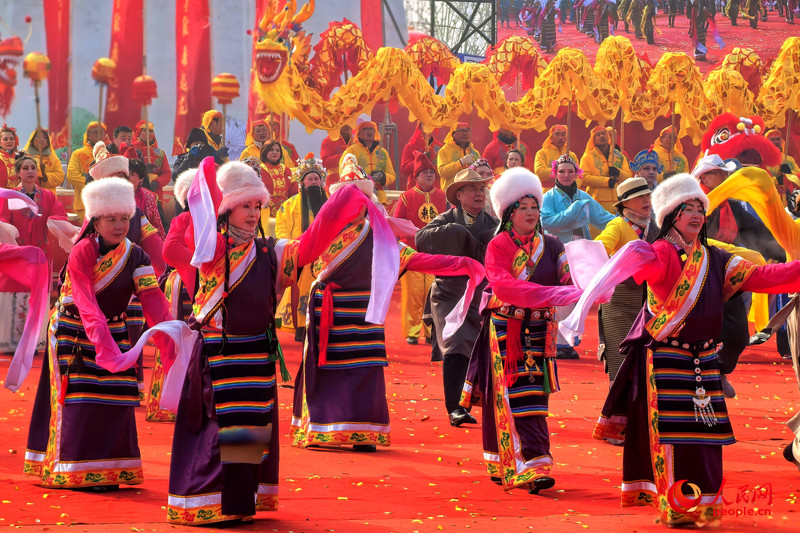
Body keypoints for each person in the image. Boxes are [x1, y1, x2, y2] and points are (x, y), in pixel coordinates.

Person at [570, 173, 800, 527]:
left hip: (704, 360)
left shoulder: (715, 257)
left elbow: (766, 277)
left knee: (707, 439)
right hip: (667, 358)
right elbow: (640, 268)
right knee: (675, 439)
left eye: (699, 208)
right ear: (670, 216)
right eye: (686, 209)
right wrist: (629, 257)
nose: (695, 215)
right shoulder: (659, 252)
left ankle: (704, 506)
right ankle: (677, 506)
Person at [168, 158, 336, 524]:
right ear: (227, 208)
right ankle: (208, 502)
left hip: (256, 354)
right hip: (220, 352)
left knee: (248, 429)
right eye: (246, 204)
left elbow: (307, 249)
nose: (253, 212)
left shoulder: (270, 251)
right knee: (217, 427)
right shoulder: (210, 249)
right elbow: (183, 241)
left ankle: (239, 503)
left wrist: (338, 207)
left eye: (258, 205)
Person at [291, 156, 485, 450]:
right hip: (329, 311)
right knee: (328, 370)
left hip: (365, 311)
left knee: (366, 369)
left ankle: (364, 431)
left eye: (361, 199)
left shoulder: (376, 234)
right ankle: (322, 427)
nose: (357, 206)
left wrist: (463, 264)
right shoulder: (324, 232)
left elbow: (413, 259)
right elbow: (295, 257)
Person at [23, 177, 172, 490]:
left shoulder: (136, 256)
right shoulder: (82, 252)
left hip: (114, 330)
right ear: (95, 220)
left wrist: (170, 338)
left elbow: (153, 300)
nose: (118, 226)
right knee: (80, 397)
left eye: (123, 219)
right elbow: (86, 301)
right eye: (111, 219)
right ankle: (73, 468)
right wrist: (102, 344)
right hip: (75, 331)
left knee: (116, 397)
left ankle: (111, 469)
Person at [461, 167, 584, 495]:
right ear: (509, 213)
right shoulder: (498, 246)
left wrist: (588, 288)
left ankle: (536, 463)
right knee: (510, 396)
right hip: (506, 329)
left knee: (535, 398)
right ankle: (514, 462)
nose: (531, 213)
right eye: (523, 208)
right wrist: (554, 295)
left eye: (534, 207)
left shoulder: (554, 245)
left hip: (541, 330)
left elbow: (568, 282)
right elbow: (504, 286)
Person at [692, 154, 785, 395]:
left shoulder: (733, 206)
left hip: (731, 275)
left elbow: (759, 234)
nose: (726, 178)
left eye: (726, 174)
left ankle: (719, 370)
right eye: (720, 174)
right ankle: (698, 375)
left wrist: (785, 251)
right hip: (698, 276)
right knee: (701, 332)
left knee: (738, 336)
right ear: (704, 177)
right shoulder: (692, 204)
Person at [417, 168, 498, 426]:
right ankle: (455, 406)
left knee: (478, 349)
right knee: (455, 343)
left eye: (482, 189)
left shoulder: (493, 224)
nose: (479, 194)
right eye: (473, 189)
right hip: (450, 294)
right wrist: (455, 233)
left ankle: (477, 401)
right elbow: (421, 239)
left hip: (482, 295)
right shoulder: (445, 219)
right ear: (459, 195)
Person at [594, 177, 659, 385]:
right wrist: (612, 262)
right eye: (639, 197)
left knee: (648, 364)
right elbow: (600, 247)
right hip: (620, 302)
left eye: (647, 195)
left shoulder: (656, 227)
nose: (646, 200)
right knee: (621, 362)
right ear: (624, 204)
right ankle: (617, 414)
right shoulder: (618, 225)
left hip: (651, 303)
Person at [146, 169, 197, 422]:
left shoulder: (218, 221)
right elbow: (170, 250)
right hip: (183, 288)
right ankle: (173, 398)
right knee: (177, 341)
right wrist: (201, 263)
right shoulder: (183, 219)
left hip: (208, 284)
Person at [394, 151, 447, 345]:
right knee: (413, 292)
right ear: (416, 176)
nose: (429, 175)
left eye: (431, 172)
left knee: (433, 291)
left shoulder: (442, 196)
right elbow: (398, 223)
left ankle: (431, 330)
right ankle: (412, 331)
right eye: (424, 172)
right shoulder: (407, 197)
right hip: (412, 251)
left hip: (435, 251)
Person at [275, 153, 328, 341]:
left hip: (326, 255)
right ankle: (301, 326)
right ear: (302, 183)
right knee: (300, 289)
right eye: (310, 179)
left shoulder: (329, 203)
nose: (314, 182)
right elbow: (281, 229)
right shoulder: (289, 205)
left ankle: (322, 325)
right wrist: (292, 246)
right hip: (300, 254)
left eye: (316, 179)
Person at [541, 154, 615, 243]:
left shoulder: (583, 196)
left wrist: (623, 222)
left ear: (576, 174)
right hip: (558, 248)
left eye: (571, 171)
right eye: (562, 171)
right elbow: (546, 223)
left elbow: (602, 218)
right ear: (555, 174)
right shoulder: (548, 197)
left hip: (583, 247)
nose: (566, 175)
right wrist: (572, 211)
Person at [341, 120, 396, 205]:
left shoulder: (383, 152)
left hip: (379, 198)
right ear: (358, 133)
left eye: (372, 129)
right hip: (359, 197)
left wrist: (383, 177)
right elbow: (344, 174)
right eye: (365, 129)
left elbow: (392, 175)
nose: (369, 131)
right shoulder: (351, 151)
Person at [580, 126, 632, 213]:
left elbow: (629, 175)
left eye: (604, 134)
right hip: (596, 201)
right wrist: (606, 181)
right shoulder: (587, 156)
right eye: (598, 134)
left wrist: (618, 173)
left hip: (618, 200)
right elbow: (583, 178)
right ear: (593, 139)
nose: (602, 136)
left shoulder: (618, 156)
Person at [67, 122, 107, 221]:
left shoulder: (108, 154)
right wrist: (92, 186)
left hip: (106, 203)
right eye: (94, 132)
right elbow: (71, 175)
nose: (98, 135)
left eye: (101, 132)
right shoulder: (78, 154)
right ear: (88, 135)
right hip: (84, 204)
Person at [125, 153, 166, 238]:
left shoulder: (149, 197)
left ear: (141, 179)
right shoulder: (115, 195)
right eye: (125, 174)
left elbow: (157, 226)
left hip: (145, 241)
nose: (127, 177)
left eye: (131, 174)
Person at [131, 121, 171, 203]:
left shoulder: (160, 153)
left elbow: (167, 173)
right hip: (137, 191)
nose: (149, 133)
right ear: (138, 132)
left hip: (156, 192)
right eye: (145, 130)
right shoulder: (131, 150)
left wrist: (158, 182)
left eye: (151, 131)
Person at [258, 140, 296, 217]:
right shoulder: (259, 170)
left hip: (285, 212)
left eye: (277, 150)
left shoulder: (286, 170)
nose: (275, 152)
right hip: (265, 211)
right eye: (271, 150)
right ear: (265, 152)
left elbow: (293, 193)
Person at [534, 125, 579, 191]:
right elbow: (540, 172)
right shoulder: (542, 153)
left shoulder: (571, 155)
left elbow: (579, 174)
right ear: (551, 137)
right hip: (548, 192)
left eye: (563, 134)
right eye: (557, 134)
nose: (560, 137)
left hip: (569, 193)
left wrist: (573, 187)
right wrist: (561, 172)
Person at [437, 123, 481, 190]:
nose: (464, 133)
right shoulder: (444, 150)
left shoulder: (475, 153)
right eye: (461, 130)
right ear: (453, 134)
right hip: (451, 192)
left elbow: (480, 173)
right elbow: (442, 172)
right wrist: (461, 162)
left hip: (471, 192)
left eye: (466, 131)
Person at [401, 122, 442, 189]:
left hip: (435, 189)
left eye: (430, 124)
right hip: (415, 189)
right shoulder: (411, 146)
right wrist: (420, 159)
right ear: (420, 127)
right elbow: (405, 169)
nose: (428, 127)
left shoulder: (440, 147)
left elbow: (442, 170)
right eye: (425, 124)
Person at [765, 129, 800, 206]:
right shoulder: (762, 159)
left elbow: (798, 177)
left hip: (788, 198)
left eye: (778, 139)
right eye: (772, 139)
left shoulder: (789, 159)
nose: (776, 142)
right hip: (770, 198)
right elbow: (760, 180)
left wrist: (789, 174)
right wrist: (777, 179)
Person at [23, 128, 65, 192]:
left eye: (44, 138)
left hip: (49, 196)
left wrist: (43, 176)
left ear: (48, 142)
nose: (41, 139)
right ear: (32, 140)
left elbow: (60, 177)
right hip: (28, 194)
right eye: (38, 137)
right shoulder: (24, 155)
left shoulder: (53, 158)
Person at [320, 124, 352, 192]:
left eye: (349, 122)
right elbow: (324, 162)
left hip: (353, 180)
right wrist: (344, 156)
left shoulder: (355, 141)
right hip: (334, 182)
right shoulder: (329, 140)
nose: (347, 125)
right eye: (344, 123)